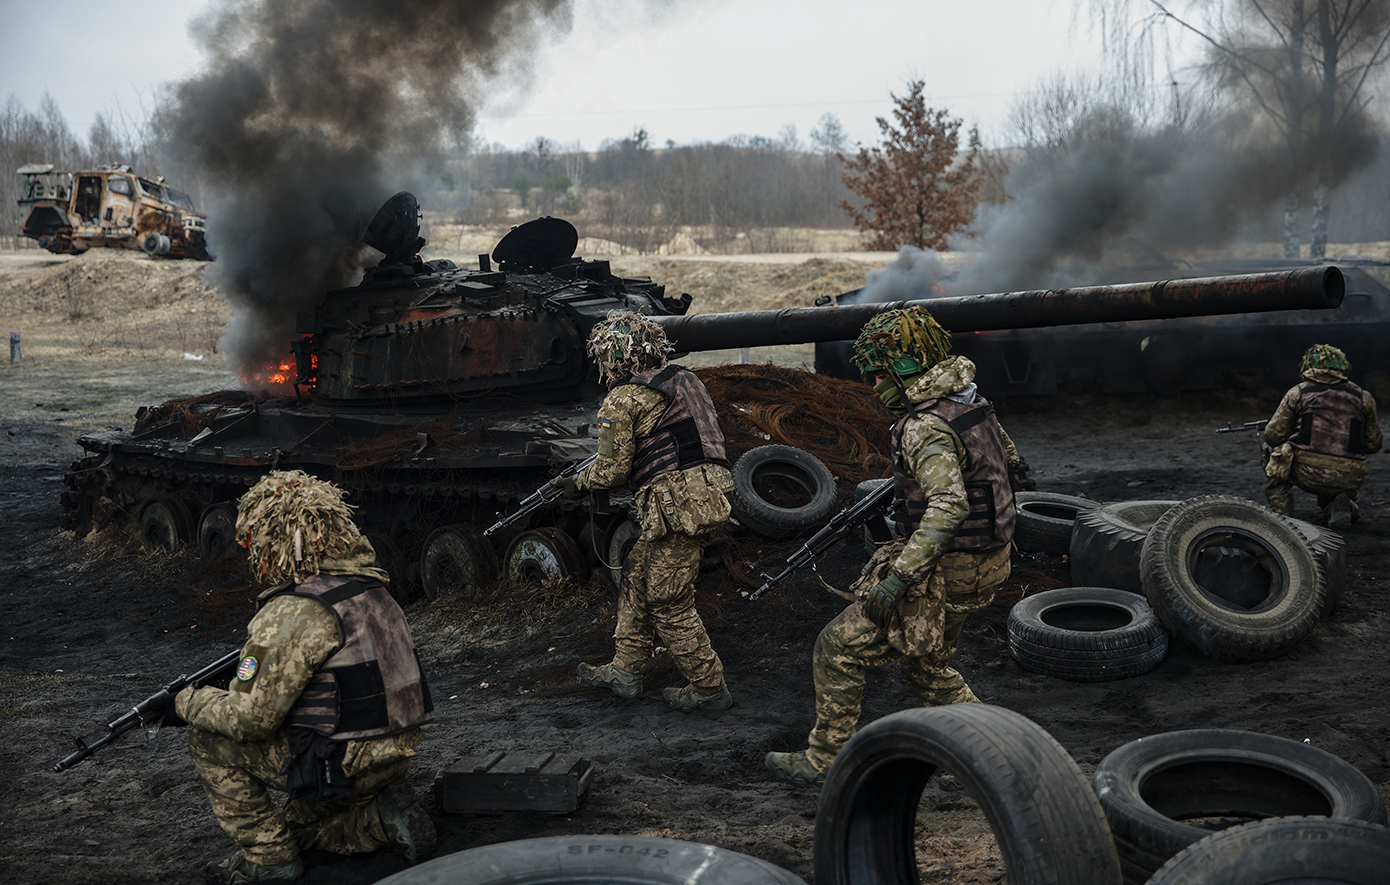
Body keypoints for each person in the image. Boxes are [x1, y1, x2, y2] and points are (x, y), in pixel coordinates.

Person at [765, 306, 1020, 787]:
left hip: (949, 572)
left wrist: (900, 577)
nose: (874, 381)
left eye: (878, 371)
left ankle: (824, 760)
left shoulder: (923, 426)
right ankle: (993, 751)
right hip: (991, 560)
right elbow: (1007, 462)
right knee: (926, 664)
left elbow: (948, 506)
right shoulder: (971, 403)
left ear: (904, 368)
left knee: (837, 647)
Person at [171, 471, 435, 883]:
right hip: (396, 751)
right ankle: (379, 819)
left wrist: (186, 703)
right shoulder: (373, 590)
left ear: (275, 540)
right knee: (296, 825)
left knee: (208, 740)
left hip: (342, 762)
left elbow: (249, 720)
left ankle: (270, 861)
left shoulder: (294, 610)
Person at [557, 310, 736, 712]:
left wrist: (576, 483)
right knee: (637, 574)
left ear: (612, 357)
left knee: (668, 601)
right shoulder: (684, 378)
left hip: (675, 509)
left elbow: (611, 470)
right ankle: (625, 669)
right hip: (706, 498)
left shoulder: (621, 398)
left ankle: (709, 688)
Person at [1263, 344, 1382, 527]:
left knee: (1275, 453)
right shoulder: (1363, 397)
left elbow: (1272, 436)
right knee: (1343, 465)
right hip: (1349, 476)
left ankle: (1283, 514)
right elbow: (1374, 444)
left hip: (1308, 473)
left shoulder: (1299, 393)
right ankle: (1341, 506)